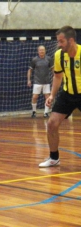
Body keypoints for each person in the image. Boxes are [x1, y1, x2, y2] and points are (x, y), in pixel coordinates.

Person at [39, 25, 81, 168]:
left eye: (61, 41)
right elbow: (57, 76)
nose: (59, 44)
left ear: (71, 40)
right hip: (67, 94)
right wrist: (52, 95)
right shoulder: (59, 55)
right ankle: (54, 158)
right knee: (51, 124)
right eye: (58, 41)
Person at [27, 45, 54, 118]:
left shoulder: (49, 59)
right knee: (35, 97)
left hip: (46, 81)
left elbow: (53, 70)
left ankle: (46, 112)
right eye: (40, 50)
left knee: (47, 97)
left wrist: (55, 78)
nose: (42, 51)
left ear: (45, 51)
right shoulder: (34, 60)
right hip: (37, 81)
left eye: (43, 50)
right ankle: (34, 111)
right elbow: (30, 70)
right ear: (38, 51)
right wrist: (29, 80)